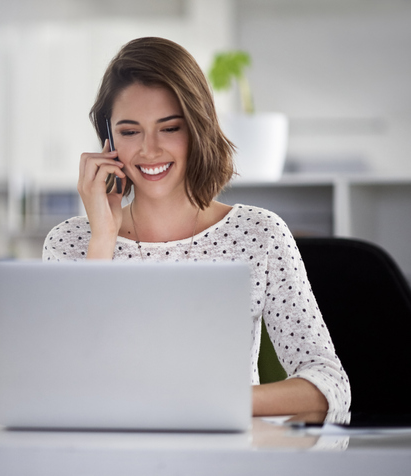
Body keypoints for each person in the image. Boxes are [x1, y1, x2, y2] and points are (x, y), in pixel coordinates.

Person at [42, 37, 350, 416]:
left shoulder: (260, 234)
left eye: (169, 128)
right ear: (108, 141)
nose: (149, 149)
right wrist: (103, 239)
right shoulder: (70, 243)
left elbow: (329, 383)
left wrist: (211, 404)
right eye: (129, 131)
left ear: (197, 128)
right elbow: (62, 387)